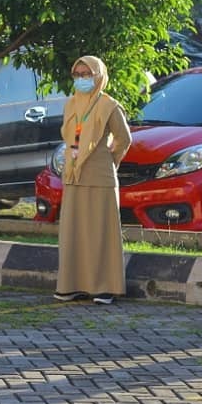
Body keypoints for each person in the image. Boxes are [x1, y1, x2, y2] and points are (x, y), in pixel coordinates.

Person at [54, 55, 131, 305]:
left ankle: (104, 288)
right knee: (73, 231)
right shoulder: (71, 104)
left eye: (86, 74)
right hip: (73, 174)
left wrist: (110, 160)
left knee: (100, 232)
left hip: (99, 175)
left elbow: (123, 139)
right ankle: (71, 285)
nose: (81, 79)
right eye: (77, 74)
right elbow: (71, 139)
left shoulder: (109, 105)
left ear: (98, 76)